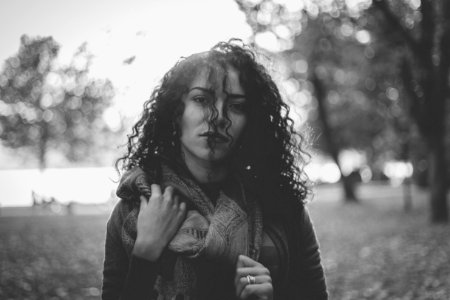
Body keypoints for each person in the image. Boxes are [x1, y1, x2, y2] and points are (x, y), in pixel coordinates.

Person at [102, 40, 328, 300]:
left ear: (251, 120)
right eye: (201, 99)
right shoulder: (133, 212)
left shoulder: (284, 208)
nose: (218, 116)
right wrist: (145, 253)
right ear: (177, 112)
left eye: (236, 105)